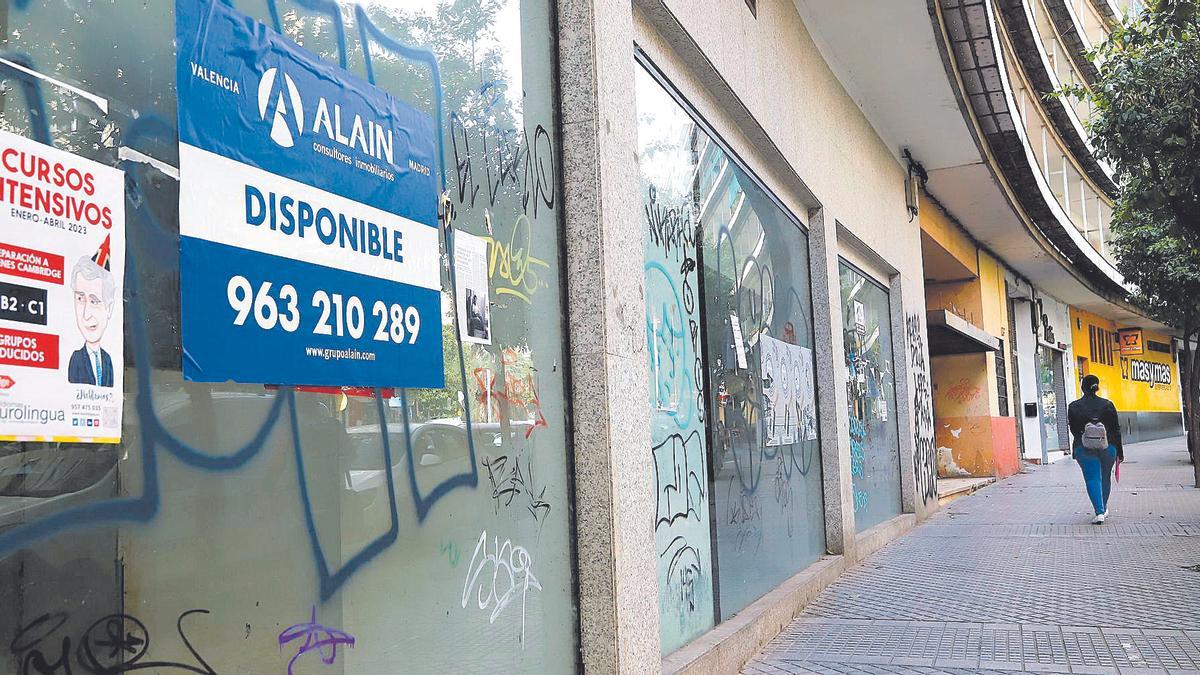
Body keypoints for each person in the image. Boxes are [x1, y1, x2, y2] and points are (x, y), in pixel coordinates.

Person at [1067, 374, 1123, 523]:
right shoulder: (1108, 404)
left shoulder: (1073, 406)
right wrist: (1120, 453)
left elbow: (1073, 429)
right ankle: (1103, 509)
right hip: (1108, 447)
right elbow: (1116, 429)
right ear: (1097, 387)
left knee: (1092, 478)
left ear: (1083, 387)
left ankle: (1099, 512)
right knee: (1105, 477)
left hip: (1084, 447)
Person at [66, 255, 116, 387]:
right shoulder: (75, 359)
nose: (86, 314)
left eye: (94, 301)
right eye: (80, 299)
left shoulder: (108, 360)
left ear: (109, 308)